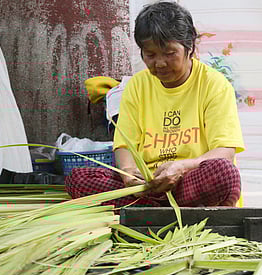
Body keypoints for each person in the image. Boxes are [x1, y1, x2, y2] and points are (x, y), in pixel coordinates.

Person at [65, 1, 245, 207]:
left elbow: (225, 152)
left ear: (190, 48)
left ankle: (146, 210)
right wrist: (129, 174)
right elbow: (124, 145)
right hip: (146, 187)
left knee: (224, 174)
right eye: (150, 55)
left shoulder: (214, 84)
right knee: (77, 178)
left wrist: (181, 168)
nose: (159, 63)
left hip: (188, 182)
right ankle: (155, 207)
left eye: (169, 53)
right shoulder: (137, 86)